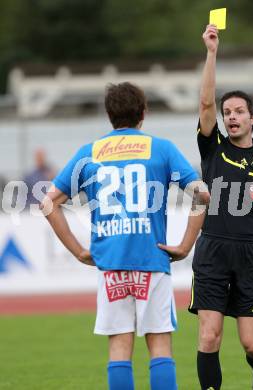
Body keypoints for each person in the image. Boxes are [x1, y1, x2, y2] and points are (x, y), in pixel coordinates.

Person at [40, 82, 210, 390]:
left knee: (119, 347)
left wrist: (80, 251)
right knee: (159, 346)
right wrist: (186, 245)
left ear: (109, 115)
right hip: (152, 259)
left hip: (111, 263)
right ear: (143, 113)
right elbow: (202, 195)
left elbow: (48, 203)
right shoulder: (162, 148)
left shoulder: (88, 152)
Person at [189, 25, 253, 390]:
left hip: (251, 255)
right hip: (213, 251)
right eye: (226, 111)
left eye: (238, 111)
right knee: (209, 336)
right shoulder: (213, 148)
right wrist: (212, 53)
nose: (230, 116)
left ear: (252, 118)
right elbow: (204, 104)